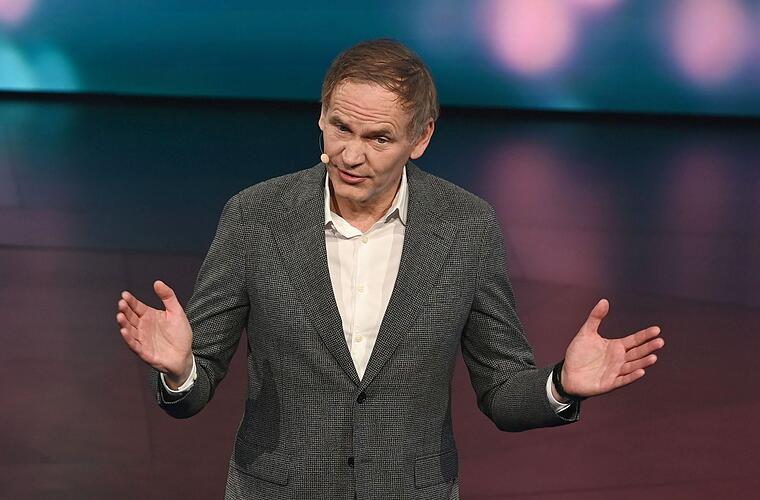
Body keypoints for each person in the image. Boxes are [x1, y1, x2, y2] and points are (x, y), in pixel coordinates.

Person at [116, 39, 664, 500]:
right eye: (340, 128)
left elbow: (501, 389)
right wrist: (181, 369)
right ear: (321, 117)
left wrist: (561, 384)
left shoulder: (466, 227)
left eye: (378, 138)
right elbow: (195, 387)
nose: (351, 155)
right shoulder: (255, 217)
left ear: (420, 138)